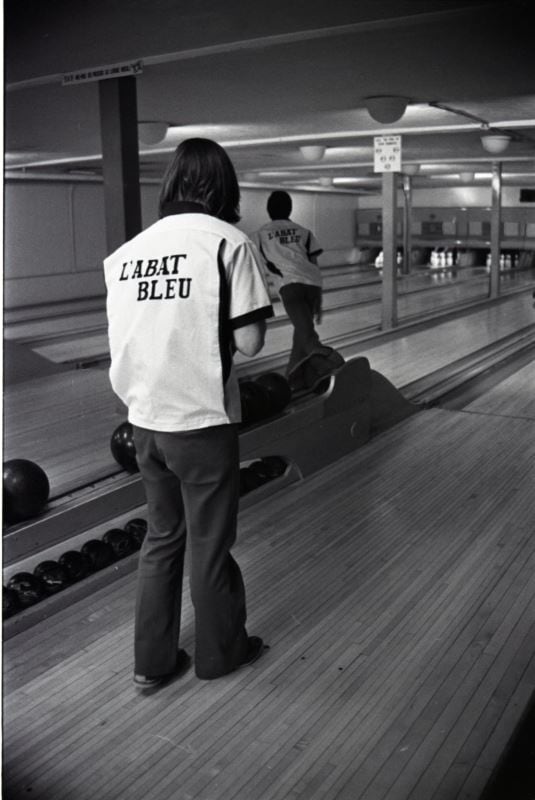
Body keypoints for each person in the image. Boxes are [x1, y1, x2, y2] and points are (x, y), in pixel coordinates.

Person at [104, 138, 273, 690]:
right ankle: (221, 654)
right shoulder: (229, 243)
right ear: (225, 186)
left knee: (161, 538)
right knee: (209, 544)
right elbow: (249, 343)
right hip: (201, 424)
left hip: (144, 424)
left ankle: (151, 664)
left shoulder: (127, 253)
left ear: (171, 183)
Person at [253, 190, 344, 392]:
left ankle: (329, 368)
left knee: (308, 337)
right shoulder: (304, 231)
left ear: (269, 210)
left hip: (289, 286)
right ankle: (293, 380)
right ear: (290, 209)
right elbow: (313, 262)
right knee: (301, 333)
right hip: (312, 284)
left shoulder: (260, 235)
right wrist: (318, 294)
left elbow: (258, 265)